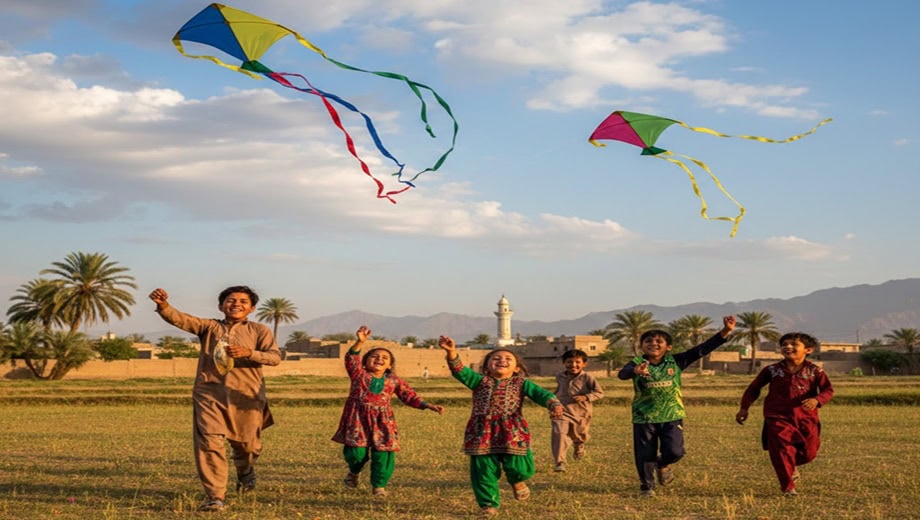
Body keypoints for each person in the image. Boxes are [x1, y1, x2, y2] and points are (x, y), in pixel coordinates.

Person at [149, 286, 281, 512]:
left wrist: (248, 353)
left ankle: (245, 472)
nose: (236, 304)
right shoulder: (209, 327)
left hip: (245, 397)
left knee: (247, 447)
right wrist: (163, 306)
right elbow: (183, 320)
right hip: (209, 394)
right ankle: (215, 496)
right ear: (221, 306)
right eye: (231, 300)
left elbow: (274, 357)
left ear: (252, 308)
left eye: (242, 301)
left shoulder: (260, 330)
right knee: (209, 442)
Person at [439, 336, 564, 518]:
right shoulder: (478, 381)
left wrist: (554, 405)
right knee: (483, 470)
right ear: (486, 366)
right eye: (496, 358)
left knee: (521, 468)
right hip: (481, 431)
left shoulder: (522, 383)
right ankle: (488, 505)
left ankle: (517, 481)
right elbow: (459, 370)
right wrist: (451, 352)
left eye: (508, 359)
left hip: (512, 430)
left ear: (517, 369)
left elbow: (541, 394)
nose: (502, 361)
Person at [618, 315, 736, 497]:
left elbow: (702, 349)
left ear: (668, 347)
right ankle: (647, 487)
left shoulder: (677, 361)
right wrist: (635, 371)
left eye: (659, 341)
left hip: (672, 414)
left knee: (675, 451)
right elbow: (622, 374)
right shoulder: (636, 362)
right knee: (644, 453)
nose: (653, 344)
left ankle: (662, 463)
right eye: (648, 341)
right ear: (642, 346)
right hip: (644, 416)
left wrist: (725, 332)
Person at [332, 326, 444, 497]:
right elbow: (351, 358)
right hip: (357, 420)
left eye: (384, 358)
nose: (379, 359)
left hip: (383, 421)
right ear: (365, 361)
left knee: (383, 453)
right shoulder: (359, 375)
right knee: (356, 454)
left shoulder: (393, 381)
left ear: (390, 365)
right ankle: (353, 472)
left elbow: (409, 395)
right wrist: (360, 341)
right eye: (374, 356)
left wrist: (428, 405)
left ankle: (379, 486)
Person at [735, 332, 834, 497]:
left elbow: (828, 390)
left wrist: (817, 400)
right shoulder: (772, 370)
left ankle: (792, 466)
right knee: (782, 450)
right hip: (777, 417)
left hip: (806, 418)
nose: (788, 347)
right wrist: (744, 408)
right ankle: (788, 486)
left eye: (794, 344)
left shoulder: (815, 371)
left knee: (809, 453)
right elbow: (754, 389)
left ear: (808, 350)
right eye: (785, 344)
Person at [551, 349, 604, 472]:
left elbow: (599, 392)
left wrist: (585, 397)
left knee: (579, 435)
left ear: (584, 364)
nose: (573, 365)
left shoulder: (587, 377)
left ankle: (579, 446)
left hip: (581, 412)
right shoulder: (560, 376)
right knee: (559, 433)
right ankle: (560, 462)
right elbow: (559, 390)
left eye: (577, 362)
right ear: (564, 362)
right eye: (569, 362)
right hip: (562, 410)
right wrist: (552, 402)